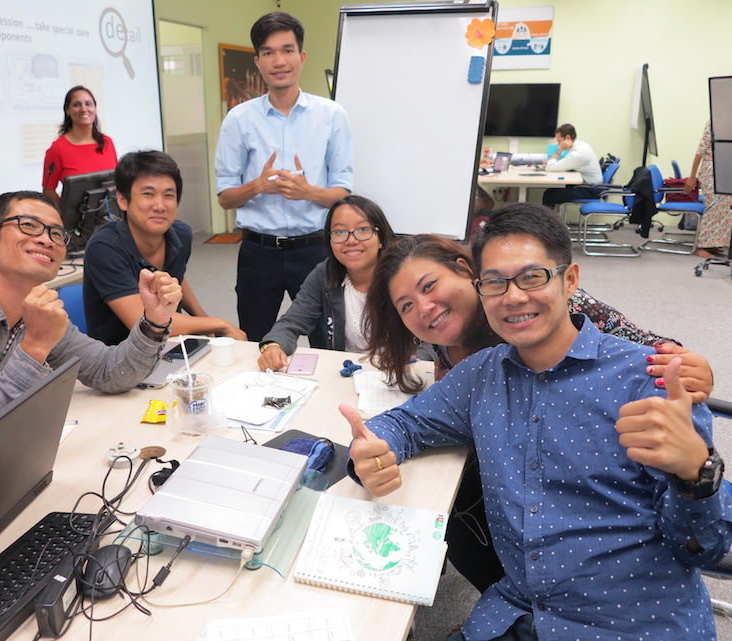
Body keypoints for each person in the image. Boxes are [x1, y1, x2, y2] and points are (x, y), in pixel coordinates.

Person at [345, 203, 731, 641]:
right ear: (481, 288)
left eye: (532, 277)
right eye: (495, 282)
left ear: (570, 280)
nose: (512, 296)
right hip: (519, 611)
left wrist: (696, 475)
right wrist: (373, 450)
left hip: (633, 622)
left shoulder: (652, 381)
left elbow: (705, 549)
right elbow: (404, 424)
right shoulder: (479, 374)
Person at [0, 191, 181, 445]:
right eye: (28, 225)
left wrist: (154, 321)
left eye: (56, 234)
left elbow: (110, 372)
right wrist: (35, 347)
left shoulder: (38, 311)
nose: (46, 240)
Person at [214, 11, 354, 344]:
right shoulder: (239, 119)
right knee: (254, 341)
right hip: (258, 253)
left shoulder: (331, 116)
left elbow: (343, 192)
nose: (279, 60)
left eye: (287, 50)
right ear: (258, 62)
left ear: (302, 57)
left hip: (316, 250)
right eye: (268, 52)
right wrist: (256, 186)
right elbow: (225, 197)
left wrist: (308, 192)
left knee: (328, 342)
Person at [83, 150, 245, 346]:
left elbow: (177, 277)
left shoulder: (180, 234)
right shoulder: (104, 247)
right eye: (148, 194)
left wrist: (205, 321)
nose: (160, 206)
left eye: (169, 195)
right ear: (123, 200)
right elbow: (144, 322)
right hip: (120, 358)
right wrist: (219, 324)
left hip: (173, 345)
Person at [257, 195, 433, 371]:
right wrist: (273, 346)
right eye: (340, 232)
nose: (351, 240)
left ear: (380, 238)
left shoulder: (405, 275)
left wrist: (416, 359)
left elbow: (436, 338)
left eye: (363, 229)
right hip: (348, 373)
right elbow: (291, 322)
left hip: (403, 373)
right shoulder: (324, 274)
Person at [42, 86, 118, 205]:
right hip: (78, 222)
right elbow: (48, 191)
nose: (84, 109)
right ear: (67, 110)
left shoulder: (107, 142)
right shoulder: (58, 148)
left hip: (112, 218)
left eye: (88, 104)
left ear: (95, 109)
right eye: (77, 104)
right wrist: (68, 215)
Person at [685, 120, 732, 258]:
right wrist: (692, 177)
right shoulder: (714, 121)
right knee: (715, 205)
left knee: (726, 206)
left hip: (724, 171)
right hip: (711, 173)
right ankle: (701, 246)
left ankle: (714, 244)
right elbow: (700, 151)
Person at [542, 123, 603, 208]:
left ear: (567, 138)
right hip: (590, 185)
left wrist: (560, 149)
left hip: (590, 189)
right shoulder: (582, 144)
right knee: (553, 190)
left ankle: (549, 221)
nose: (558, 144)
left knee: (549, 195)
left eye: (559, 141)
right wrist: (552, 162)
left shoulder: (577, 154)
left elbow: (550, 168)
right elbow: (566, 162)